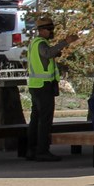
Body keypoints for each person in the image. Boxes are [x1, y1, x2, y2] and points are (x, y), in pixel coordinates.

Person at [25, 15, 77, 162]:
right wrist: (65, 42)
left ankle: (32, 149)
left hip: (36, 85)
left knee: (36, 119)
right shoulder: (40, 43)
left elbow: (47, 56)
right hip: (43, 86)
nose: (51, 31)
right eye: (49, 29)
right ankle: (42, 150)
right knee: (45, 120)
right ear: (41, 30)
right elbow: (47, 54)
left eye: (52, 28)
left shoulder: (36, 43)